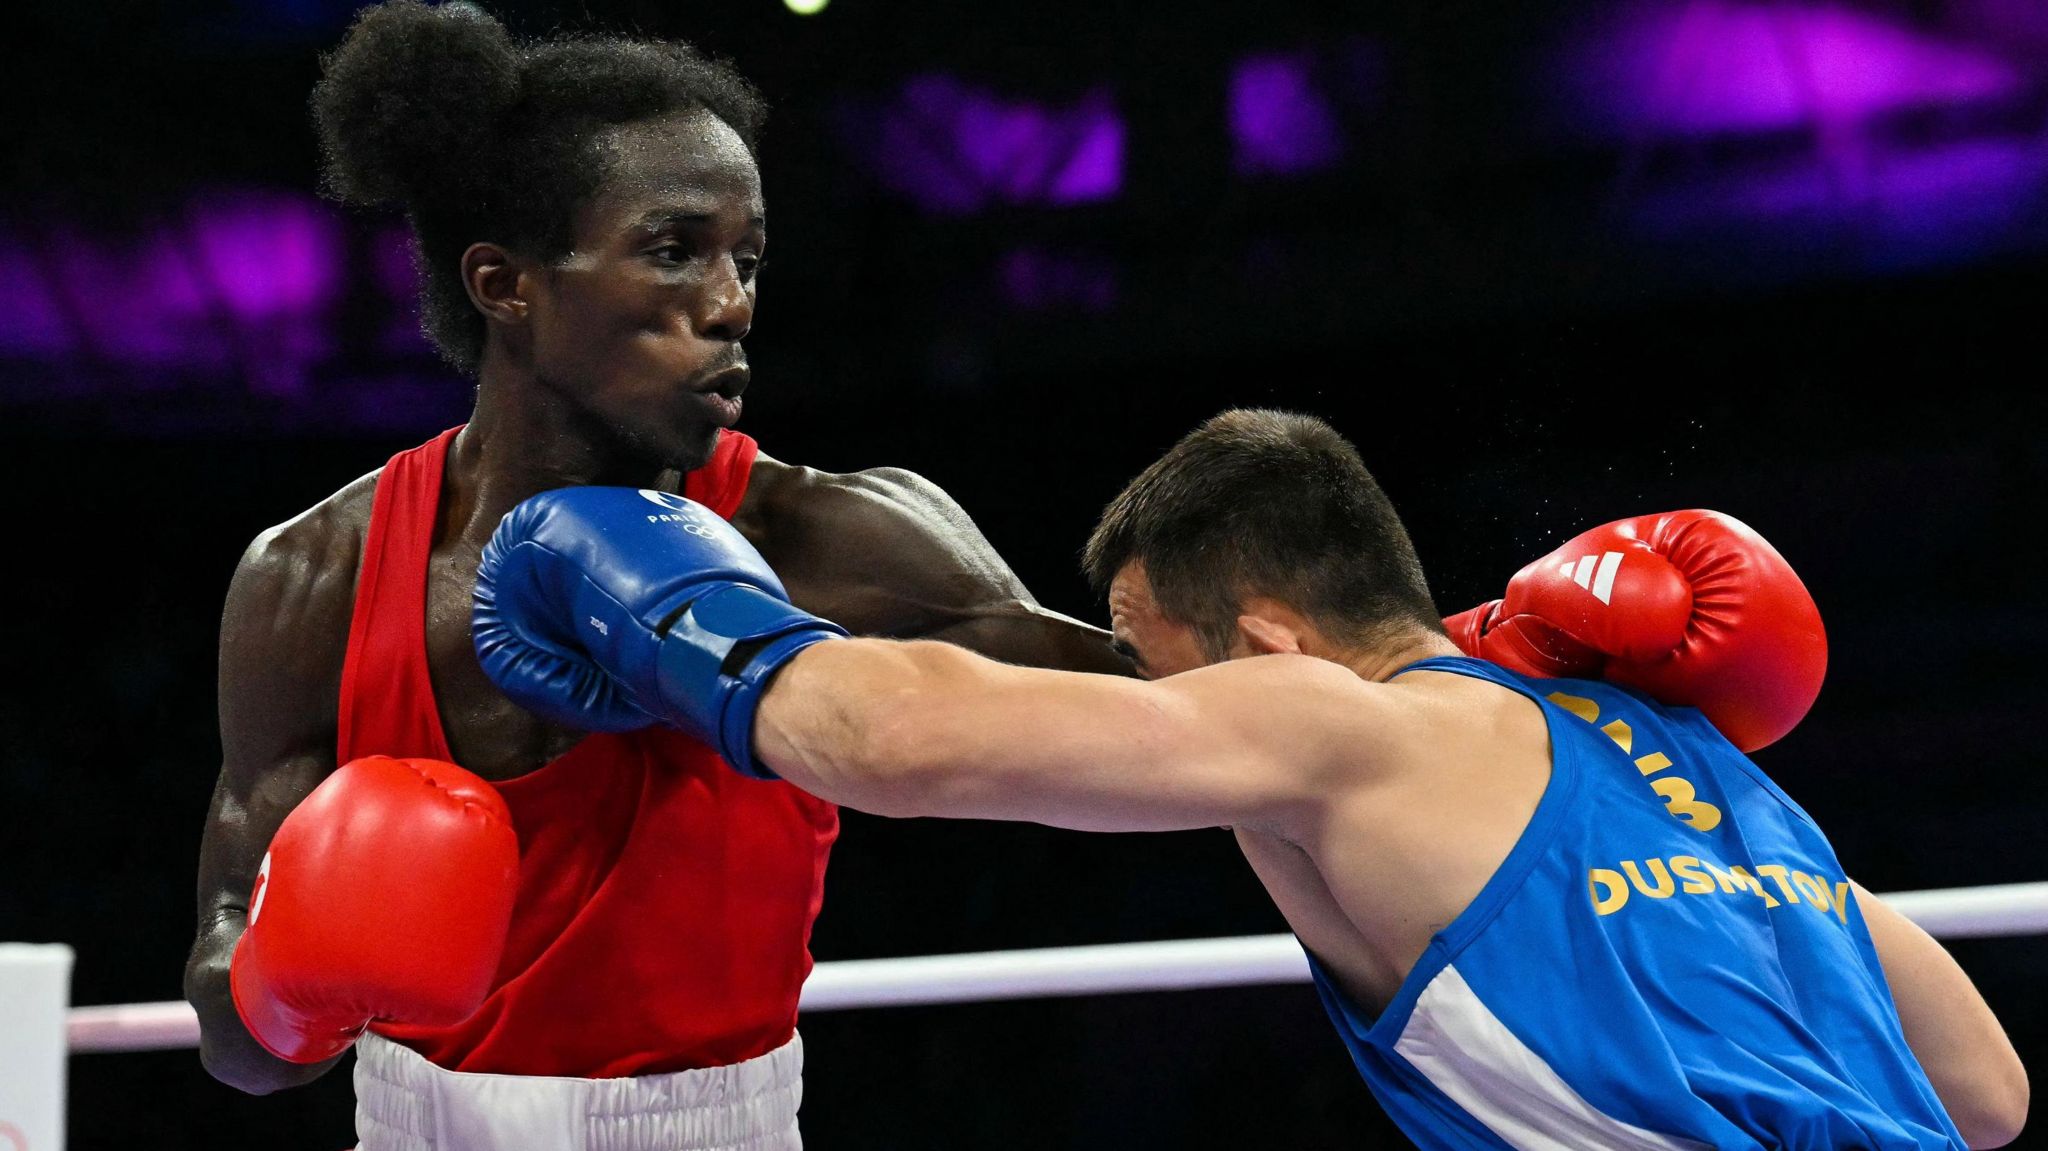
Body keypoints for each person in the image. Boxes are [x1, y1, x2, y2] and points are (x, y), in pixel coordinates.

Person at [479, 409, 2029, 1149]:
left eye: (1164, 669)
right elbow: (1984, 1088)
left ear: (1273, 639)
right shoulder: (1701, 771)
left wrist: (683, 611)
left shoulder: (1333, 722)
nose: (1170, 719)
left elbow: (903, 736)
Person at [179, 2, 1128, 1144]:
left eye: (748, 257)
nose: (729, 303)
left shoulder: (823, 534)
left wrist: (1370, 668)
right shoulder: (311, 578)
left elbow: (1132, 709)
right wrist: (280, 990)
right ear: (503, 283)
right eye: (673, 249)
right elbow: (233, 1009)